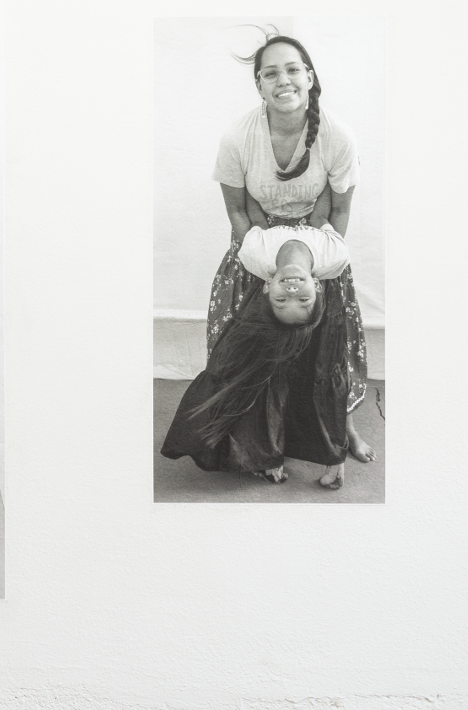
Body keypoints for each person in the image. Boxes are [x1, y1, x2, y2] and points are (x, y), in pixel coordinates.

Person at [161, 31, 375, 489]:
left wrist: (312, 267)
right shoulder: (238, 136)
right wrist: (265, 262)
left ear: (310, 77)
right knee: (256, 356)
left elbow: (337, 213)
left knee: (328, 353)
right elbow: (238, 211)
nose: (284, 80)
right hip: (255, 251)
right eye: (271, 73)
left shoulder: (338, 136)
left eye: (293, 69)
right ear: (259, 85)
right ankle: (263, 443)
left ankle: (342, 430)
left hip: (320, 249)